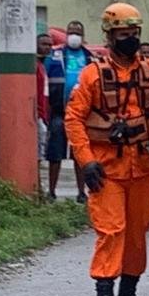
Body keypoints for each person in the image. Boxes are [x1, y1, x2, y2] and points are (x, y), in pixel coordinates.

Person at [64, 3, 149, 296]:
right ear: (110, 36)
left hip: (141, 167)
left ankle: (128, 293)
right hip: (106, 170)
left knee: (138, 231)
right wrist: (86, 162)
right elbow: (74, 119)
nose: (127, 38)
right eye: (121, 34)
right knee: (111, 231)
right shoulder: (93, 75)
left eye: (132, 33)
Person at [44, 20, 94, 202]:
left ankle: (82, 192)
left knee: (80, 154)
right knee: (55, 154)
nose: (75, 36)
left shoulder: (89, 57)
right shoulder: (55, 55)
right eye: (72, 32)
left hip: (82, 115)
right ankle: (51, 191)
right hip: (59, 112)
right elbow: (45, 79)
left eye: (78, 33)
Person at [36, 34, 52, 189]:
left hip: (44, 115)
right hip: (38, 116)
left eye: (49, 44)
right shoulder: (35, 66)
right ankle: (38, 187)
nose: (47, 47)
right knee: (37, 155)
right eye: (43, 44)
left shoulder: (42, 65)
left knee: (40, 154)